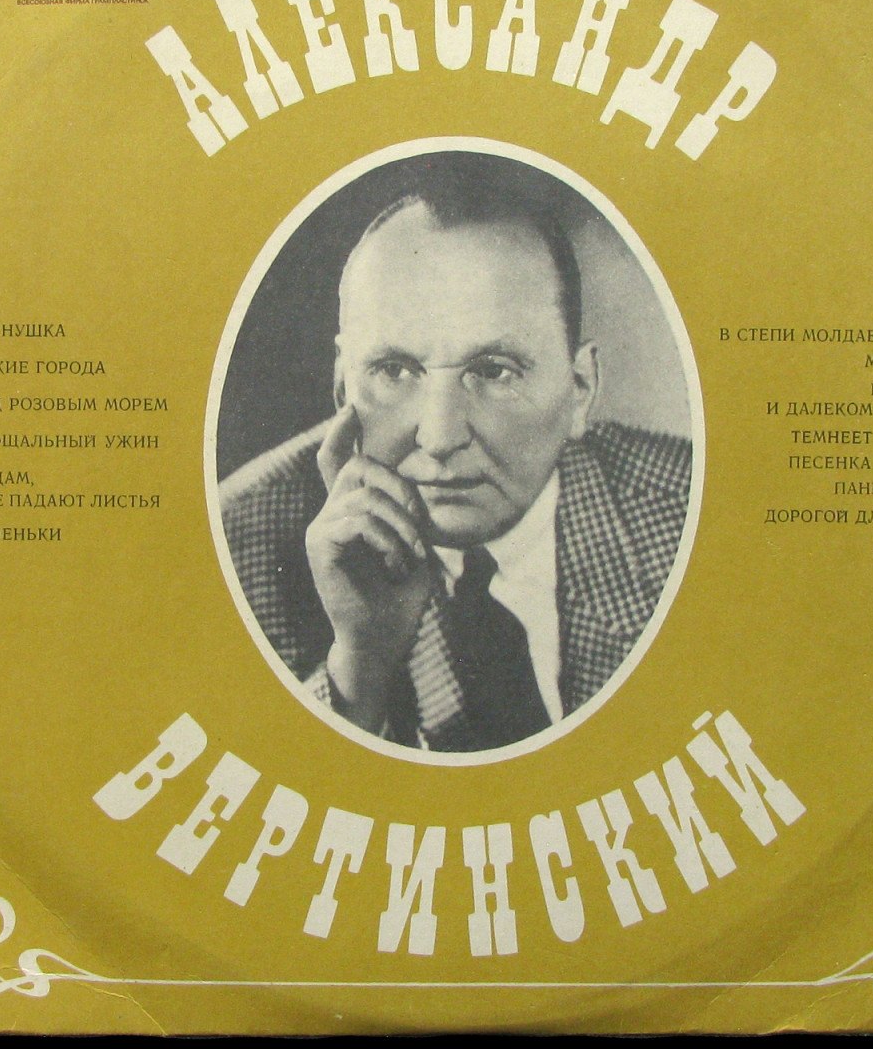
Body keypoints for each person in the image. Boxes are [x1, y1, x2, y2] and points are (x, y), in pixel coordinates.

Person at [221, 163, 691, 752]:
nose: (440, 437)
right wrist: (360, 670)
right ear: (343, 389)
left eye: (493, 371)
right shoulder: (238, 547)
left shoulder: (690, 515)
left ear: (579, 390)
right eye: (395, 371)